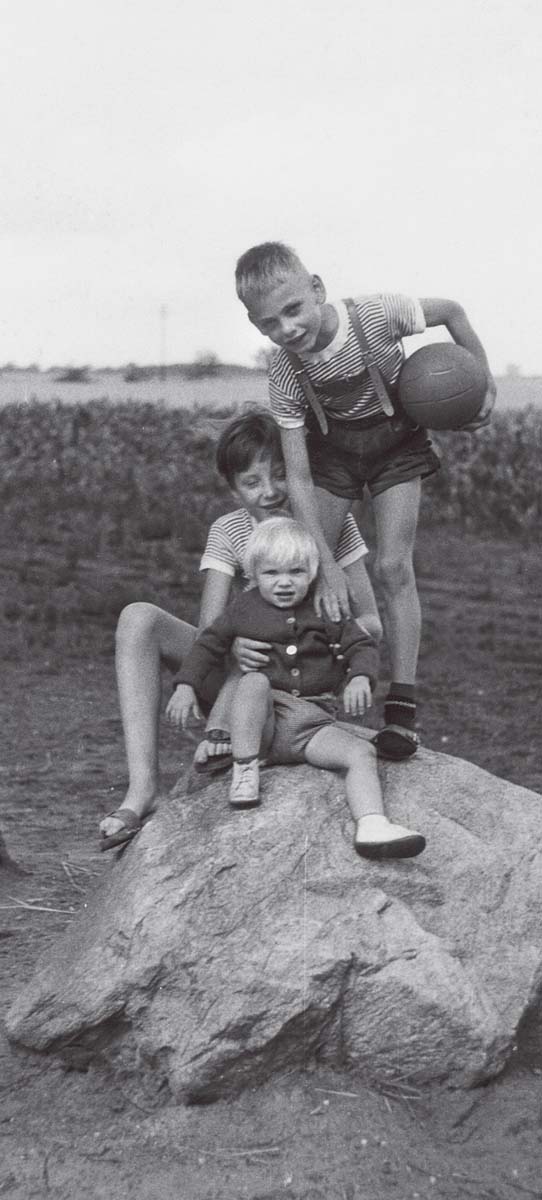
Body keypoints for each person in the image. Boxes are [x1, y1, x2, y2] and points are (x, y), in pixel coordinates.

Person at [234, 241, 497, 763]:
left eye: (293, 310)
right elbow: (301, 477)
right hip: (333, 453)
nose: (287, 329)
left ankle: (400, 709)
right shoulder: (285, 374)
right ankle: (283, 693)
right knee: (297, 563)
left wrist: (481, 382)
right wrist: (327, 565)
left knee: (394, 566)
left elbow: (452, 312)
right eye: (270, 324)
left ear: (318, 290)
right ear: (256, 325)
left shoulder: (376, 315)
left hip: (397, 442)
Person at [99, 410, 382, 851]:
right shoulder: (229, 530)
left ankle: (232, 742)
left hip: (300, 685)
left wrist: (309, 635)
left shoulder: (331, 523)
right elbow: (211, 631)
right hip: (238, 678)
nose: (269, 492)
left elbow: (372, 625)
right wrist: (236, 646)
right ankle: (143, 788)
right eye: (252, 482)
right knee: (138, 616)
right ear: (233, 488)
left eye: (280, 475)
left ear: (301, 472)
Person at [174, 519, 425, 860]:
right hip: (265, 724)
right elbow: (208, 645)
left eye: (296, 572)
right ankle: (245, 767)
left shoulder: (323, 607)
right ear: (253, 574)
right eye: (272, 573)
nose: (284, 583)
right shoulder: (244, 608)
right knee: (253, 681)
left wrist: (360, 678)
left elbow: (361, 646)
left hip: (312, 727)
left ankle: (372, 824)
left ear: (312, 572)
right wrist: (186, 686)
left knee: (360, 754)